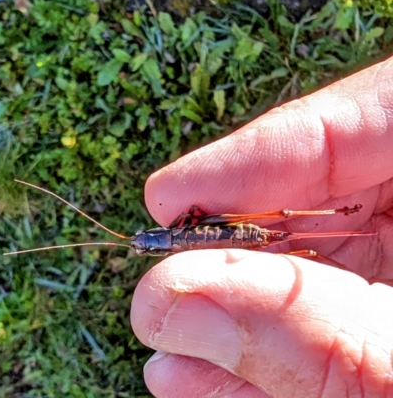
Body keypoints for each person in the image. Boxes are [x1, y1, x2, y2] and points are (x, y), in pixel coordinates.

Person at [131, 57, 393, 397]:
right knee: (293, 246)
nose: (143, 244)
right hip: (225, 243)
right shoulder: (175, 236)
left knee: (285, 231)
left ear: (156, 245)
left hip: (234, 236)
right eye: (143, 244)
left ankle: (340, 215)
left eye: (143, 244)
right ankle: (342, 228)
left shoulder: (173, 241)